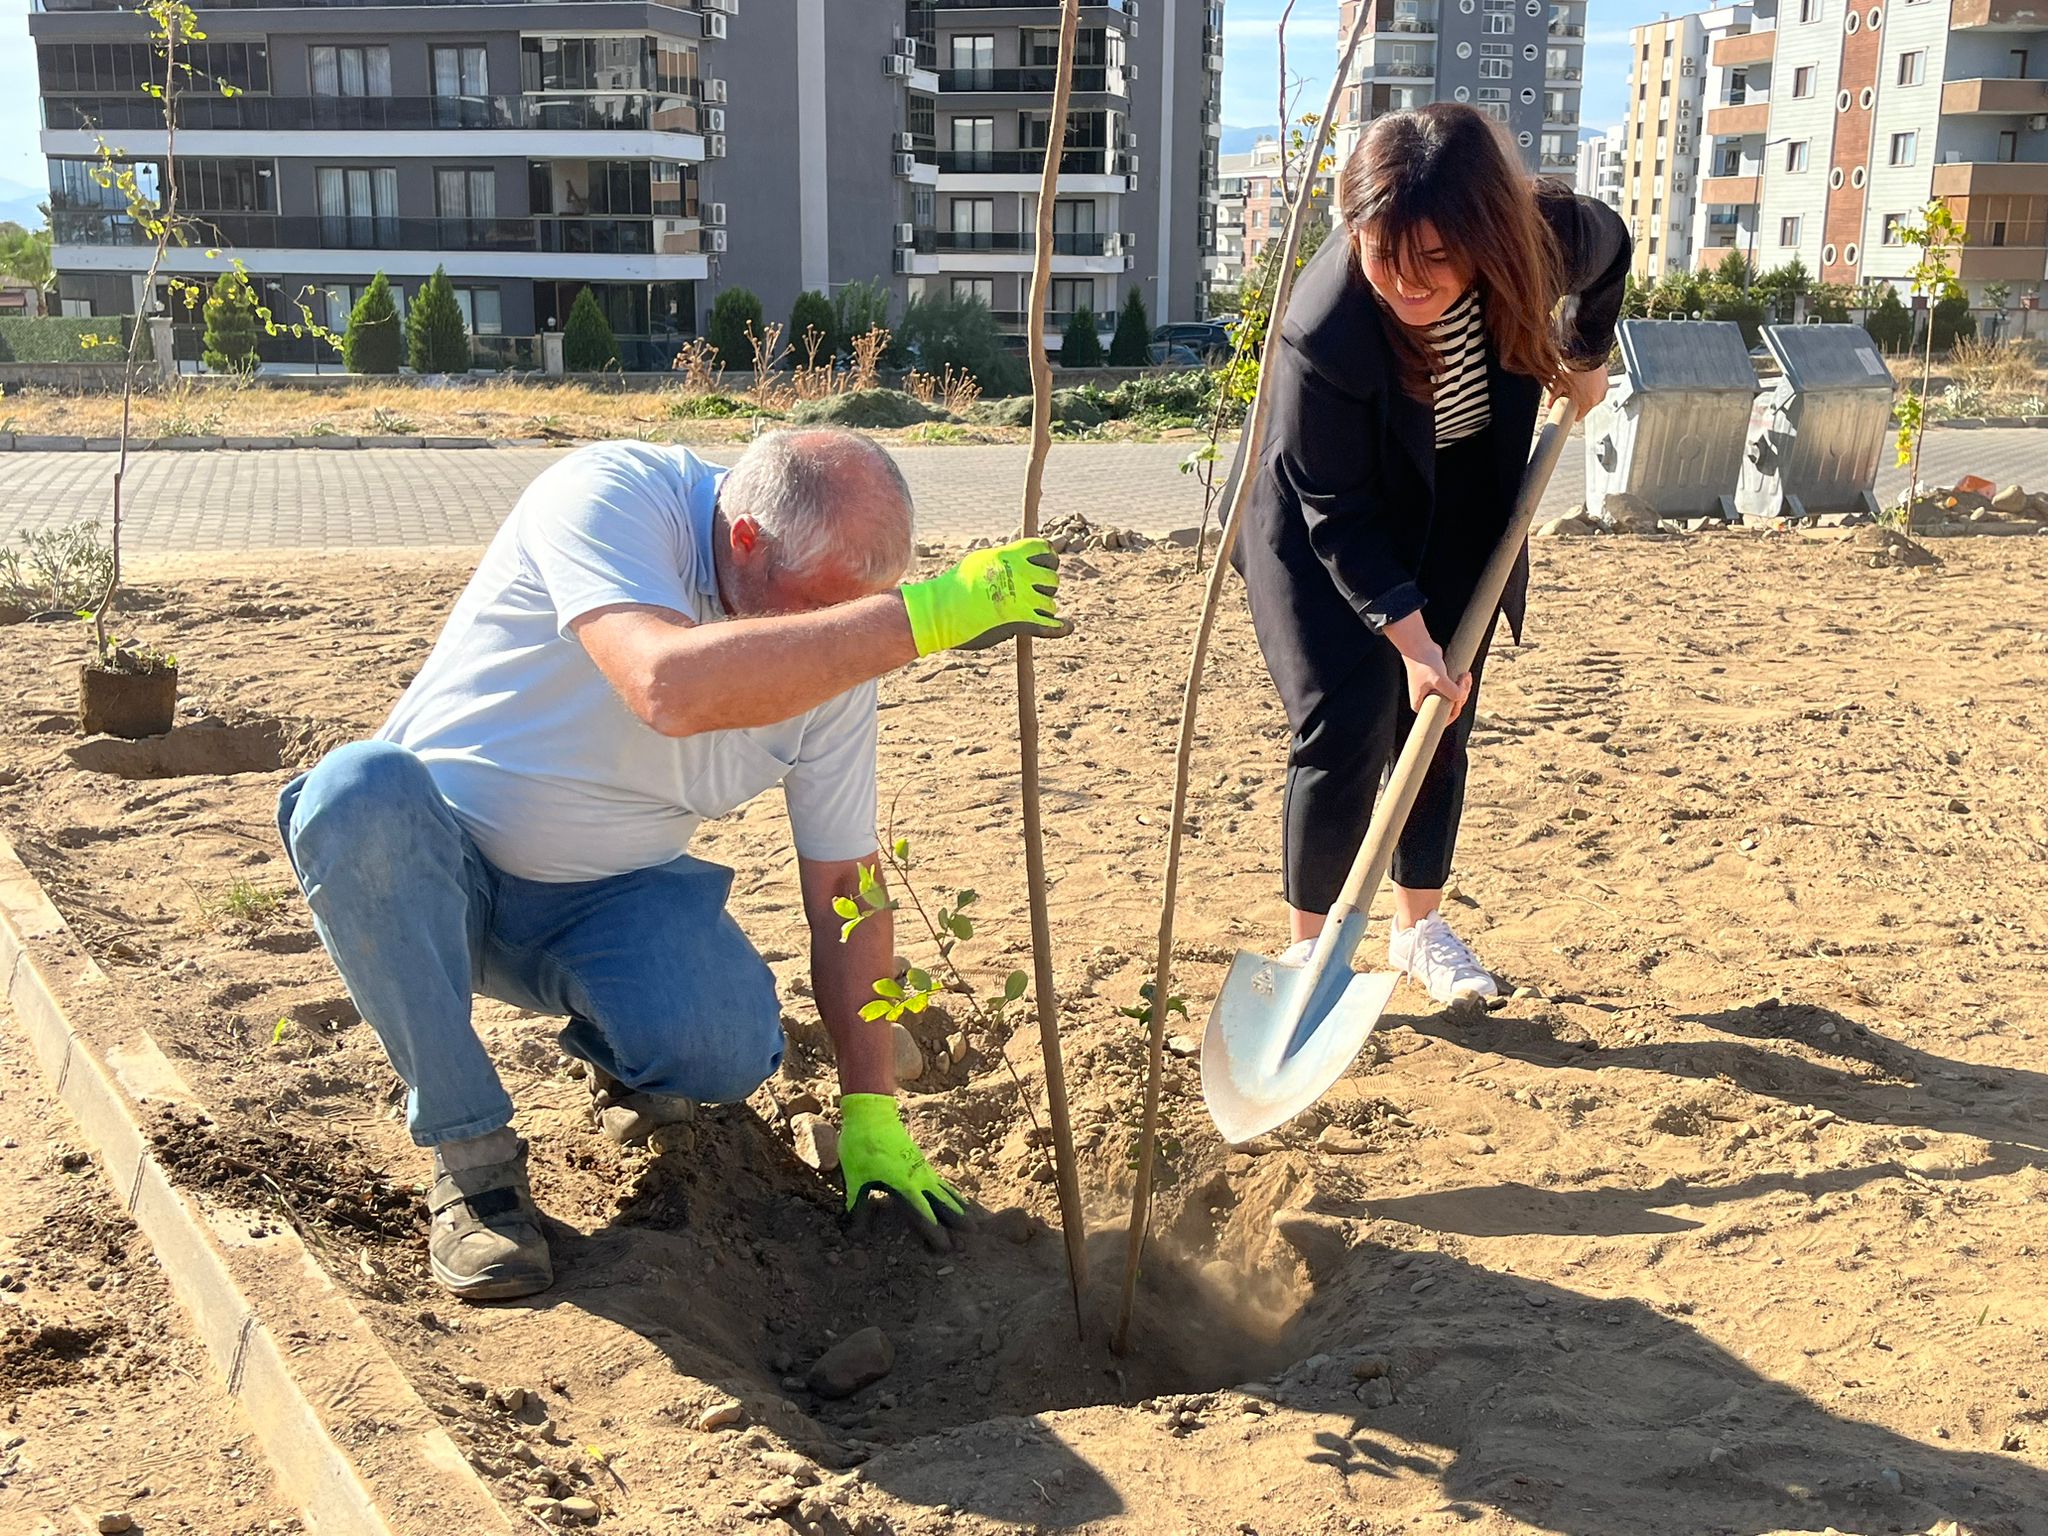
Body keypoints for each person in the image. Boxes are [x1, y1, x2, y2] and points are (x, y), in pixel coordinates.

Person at [275, 430, 1066, 1300]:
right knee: (353, 793)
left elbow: (848, 885)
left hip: (606, 904)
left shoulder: (841, 656)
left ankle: (620, 1051)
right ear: (746, 542)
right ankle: (474, 1166)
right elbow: (665, 687)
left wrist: (869, 1105)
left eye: (859, 615)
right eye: (822, 614)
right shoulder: (611, 497)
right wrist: (919, 619)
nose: (840, 644)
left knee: (724, 1050)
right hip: (430, 877)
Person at [1235, 105, 1631, 1006]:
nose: (1405, 285)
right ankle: (1313, 953)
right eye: (1382, 257)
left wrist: (1587, 351)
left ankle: (1418, 930)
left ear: (1485, 236)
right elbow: (1338, 512)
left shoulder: (1543, 240)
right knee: (1346, 722)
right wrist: (1407, 642)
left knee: (1440, 721)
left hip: (1461, 505)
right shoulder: (1325, 329)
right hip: (1324, 524)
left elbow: (1614, 246)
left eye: (1436, 263)